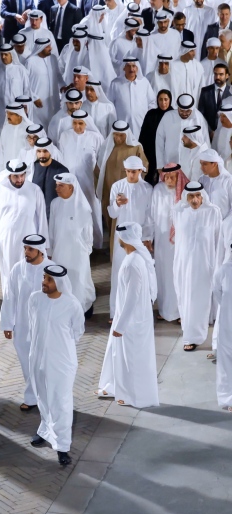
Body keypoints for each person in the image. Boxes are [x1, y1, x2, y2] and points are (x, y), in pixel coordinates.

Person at [97, 222, 159, 407]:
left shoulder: (133, 263)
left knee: (132, 358)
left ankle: (136, 397)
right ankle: (118, 389)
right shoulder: (136, 258)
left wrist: (121, 325)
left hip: (132, 321)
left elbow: (132, 297)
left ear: (123, 238)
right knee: (121, 356)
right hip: (130, 318)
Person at [28, 265, 85, 466]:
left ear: (59, 283)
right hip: (37, 359)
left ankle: (62, 447)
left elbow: (78, 331)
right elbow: (32, 325)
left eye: (49, 280)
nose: (44, 282)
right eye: (44, 277)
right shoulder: (35, 299)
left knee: (61, 402)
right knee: (42, 398)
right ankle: (45, 430)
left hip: (61, 362)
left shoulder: (72, 305)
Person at [0, 160, 49, 293]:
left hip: (30, 240)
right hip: (6, 240)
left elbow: (42, 219)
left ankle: (28, 306)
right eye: (16, 176)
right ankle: (9, 306)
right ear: (9, 175)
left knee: (29, 272)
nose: (20, 179)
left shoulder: (34, 190)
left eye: (22, 175)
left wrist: (44, 245)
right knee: (8, 273)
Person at [0, 234, 53, 411]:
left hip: (45, 326)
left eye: (30, 249)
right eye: (25, 248)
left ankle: (42, 397)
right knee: (27, 362)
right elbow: (9, 297)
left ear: (40, 250)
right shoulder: (17, 269)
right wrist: (7, 323)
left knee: (43, 362)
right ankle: (33, 396)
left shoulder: (52, 269)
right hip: (22, 325)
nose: (26, 252)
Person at [172, 181, 222, 351]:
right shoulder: (179, 211)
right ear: (186, 197)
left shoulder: (212, 212)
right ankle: (189, 332)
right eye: (191, 196)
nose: (195, 200)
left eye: (198, 196)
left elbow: (218, 240)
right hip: (183, 265)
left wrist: (217, 264)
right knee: (185, 299)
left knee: (200, 300)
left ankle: (194, 336)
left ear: (203, 196)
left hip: (204, 265)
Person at [107, 156, 154, 317]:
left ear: (140, 171)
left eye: (134, 172)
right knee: (119, 273)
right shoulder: (117, 186)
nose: (131, 175)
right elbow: (112, 213)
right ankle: (116, 313)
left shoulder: (147, 189)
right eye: (128, 171)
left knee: (141, 273)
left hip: (140, 238)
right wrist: (117, 204)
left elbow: (150, 216)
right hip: (122, 237)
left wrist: (148, 237)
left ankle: (141, 313)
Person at [49, 173, 96, 315]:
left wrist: (84, 251)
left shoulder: (82, 207)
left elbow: (88, 235)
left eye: (61, 186)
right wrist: (50, 252)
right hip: (59, 251)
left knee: (79, 280)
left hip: (78, 253)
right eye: (57, 185)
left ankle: (82, 309)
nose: (57, 189)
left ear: (71, 188)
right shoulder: (55, 204)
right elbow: (52, 230)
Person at [59, 110, 104, 247]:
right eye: (74, 123)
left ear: (86, 124)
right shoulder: (64, 136)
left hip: (88, 182)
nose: (77, 126)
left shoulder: (95, 137)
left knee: (92, 209)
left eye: (80, 123)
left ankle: (96, 243)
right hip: (69, 181)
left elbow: (101, 161)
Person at [151, 163, 187, 322]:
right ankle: (165, 310)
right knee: (163, 274)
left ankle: (180, 312)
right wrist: (148, 237)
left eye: (173, 177)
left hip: (179, 242)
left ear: (179, 177)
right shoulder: (157, 190)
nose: (170, 180)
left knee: (178, 275)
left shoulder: (185, 192)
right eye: (167, 177)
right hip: (161, 242)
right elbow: (151, 215)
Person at [96, 120, 148, 229]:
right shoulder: (107, 146)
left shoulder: (136, 147)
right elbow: (98, 168)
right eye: (116, 135)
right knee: (111, 213)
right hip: (110, 187)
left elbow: (144, 167)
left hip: (130, 190)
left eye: (122, 136)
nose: (119, 138)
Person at [0, 44, 32, 141]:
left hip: (17, 110)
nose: (3, 57)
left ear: (12, 55)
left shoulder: (20, 70)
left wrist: (25, 106)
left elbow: (26, 90)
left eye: (6, 54)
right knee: (1, 133)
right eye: (2, 54)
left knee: (17, 134)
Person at [156, 93, 210, 167]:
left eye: (187, 111)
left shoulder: (198, 118)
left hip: (191, 165)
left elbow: (205, 142)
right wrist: (160, 165)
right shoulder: (168, 116)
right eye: (181, 111)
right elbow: (159, 142)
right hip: (170, 163)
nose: (184, 113)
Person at [109, 57, 156, 138]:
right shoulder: (115, 84)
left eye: (133, 66)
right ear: (124, 67)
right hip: (122, 125)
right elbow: (110, 104)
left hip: (141, 124)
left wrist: (148, 119)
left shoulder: (144, 82)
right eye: (128, 66)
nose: (131, 69)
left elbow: (152, 102)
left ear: (137, 68)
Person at [27, 39, 64, 127]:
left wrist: (63, 85)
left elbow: (58, 75)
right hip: (38, 101)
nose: (50, 48)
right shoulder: (30, 62)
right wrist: (34, 97)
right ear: (41, 48)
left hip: (53, 99)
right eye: (47, 46)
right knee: (39, 126)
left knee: (53, 124)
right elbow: (25, 83)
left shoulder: (53, 58)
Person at [139, 90, 173, 186]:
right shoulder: (151, 114)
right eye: (160, 99)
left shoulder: (174, 115)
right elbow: (143, 135)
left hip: (168, 155)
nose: (163, 103)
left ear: (170, 100)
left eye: (166, 99)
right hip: (151, 154)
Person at [31, 137, 69, 220]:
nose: (42, 155)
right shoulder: (31, 169)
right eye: (39, 151)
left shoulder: (62, 170)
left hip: (55, 216)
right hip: (35, 216)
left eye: (45, 151)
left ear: (50, 151)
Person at [213, 248, 232, 409]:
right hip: (227, 322)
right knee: (226, 359)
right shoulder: (224, 270)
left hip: (228, 318)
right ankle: (228, 398)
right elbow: (216, 292)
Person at [0, 103, 34, 178]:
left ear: (19, 115)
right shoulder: (6, 129)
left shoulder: (30, 128)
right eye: (7, 113)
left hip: (24, 172)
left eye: (11, 114)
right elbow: (1, 153)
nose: (8, 116)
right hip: (7, 171)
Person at [199, 147, 232, 221]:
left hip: (224, 225)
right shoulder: (202, 180)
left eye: (205, 164)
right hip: (206, 224)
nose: (201, 167)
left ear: (214, 164)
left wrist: (225, 224)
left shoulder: (228, 180)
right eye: (201, 164)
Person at [198, 64, 232, 135]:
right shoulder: (205, 91)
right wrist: (210, 131)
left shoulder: (231, 92)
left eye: (221, 74)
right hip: (208, 134)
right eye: (215, 74)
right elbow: (201, 114)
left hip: (226, 134)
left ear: (227, 76)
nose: (217, 77)